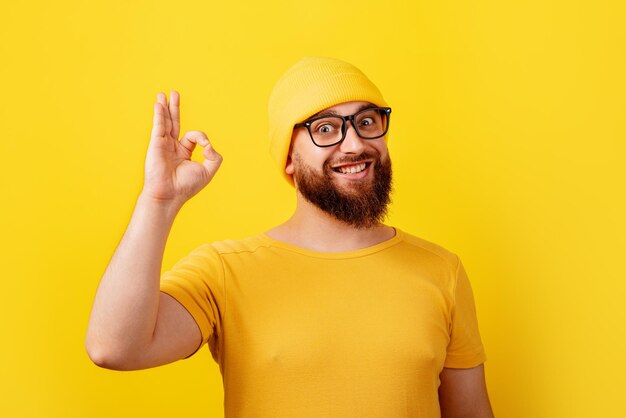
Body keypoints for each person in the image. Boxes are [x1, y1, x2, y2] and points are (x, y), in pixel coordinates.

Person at [86, 56, 494, 417]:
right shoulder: (225, 271)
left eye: (367, 121)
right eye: (326, 128)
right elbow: (114, 348)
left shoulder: (442, 270)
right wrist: (159, 200)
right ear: (288, 158)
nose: (354, 143)